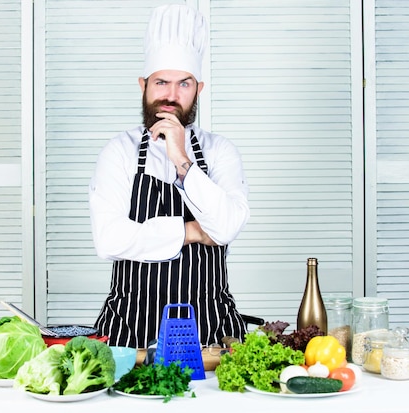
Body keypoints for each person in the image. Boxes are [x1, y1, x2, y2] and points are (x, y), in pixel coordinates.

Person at [89, 4, 250, 349]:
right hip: (129, 334)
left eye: (184, 84)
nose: (171, 96)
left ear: (199, 89)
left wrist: (181, 159)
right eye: (161, 82)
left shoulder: (220, 152)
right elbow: (109, 240)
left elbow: (226, 227)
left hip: (211, 331)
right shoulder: (119, 152)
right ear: (143, 85)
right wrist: (190, 231)